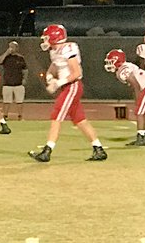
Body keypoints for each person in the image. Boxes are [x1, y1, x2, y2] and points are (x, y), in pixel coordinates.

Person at [28, 24, 107, 163]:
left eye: (47, 37)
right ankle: (98, 149)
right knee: (80, 120)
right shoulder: (54, 51)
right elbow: (55, 65)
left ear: (54, 37)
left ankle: (47, 151)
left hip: (72, 86)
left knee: (56, 116)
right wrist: (50, 76)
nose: (45, 41)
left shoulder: (68, 48)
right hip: (67, 87)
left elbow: (77, 73)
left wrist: (59, 82)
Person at [104, 49, 145, 146]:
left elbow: (135, 84)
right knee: (144, 112)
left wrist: (138, 99)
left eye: (111, 61)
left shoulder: (122, 70)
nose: (109, 64)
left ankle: (140, 137)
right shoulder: (125, 67)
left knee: (140, 112)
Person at [0, 40, 27, 120]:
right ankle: (5, 116)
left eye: (13, 47)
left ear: (17, 48)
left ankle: (20, 116)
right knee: (6, 101)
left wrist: (24, 79)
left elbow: (25, 69)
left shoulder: (20, 58)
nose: (11, 48)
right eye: (10, 47)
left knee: (19, 101)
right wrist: (6, 53)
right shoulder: (6, 57)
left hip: (18, 83)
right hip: (7, 83)